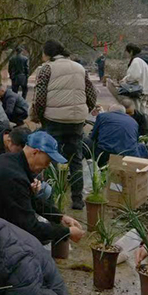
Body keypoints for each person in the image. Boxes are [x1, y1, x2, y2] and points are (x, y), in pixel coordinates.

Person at [0, 131, 84, 248]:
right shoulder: (14, 176)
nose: (47, 166)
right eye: (48, 160)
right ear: (35, 152)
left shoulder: (11, 161)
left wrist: (60, 217)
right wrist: (67, 232)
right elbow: (30, 226)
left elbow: (30, 199)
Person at [31, 39, 97, 210]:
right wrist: (83, 111)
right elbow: (92, 95)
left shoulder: (47, 69)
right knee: (75, 160)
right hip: (76, 121)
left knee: (50, 159)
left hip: (53, 120)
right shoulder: (79, 68)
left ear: (48, 53)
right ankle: (77, 200)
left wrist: (38, 116)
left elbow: (39, 97)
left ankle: (51, 199)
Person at [121, 44, 148, 112]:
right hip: (147, 88)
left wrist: (125, 80)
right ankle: (142, 122)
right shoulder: (145, 59)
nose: (126, 54)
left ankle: (137, 122)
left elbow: (134, 76)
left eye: (127, 52)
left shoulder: (136, 60)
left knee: (136, 110)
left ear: (131, 51)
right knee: (142, 109)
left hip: (138, 89)